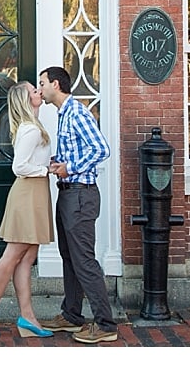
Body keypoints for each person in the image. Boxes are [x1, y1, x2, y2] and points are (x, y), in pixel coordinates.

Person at [36, 65, 117, 344]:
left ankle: (105, 324)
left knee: (84, 260)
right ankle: (72, 315)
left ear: (56, 84)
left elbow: (101, 149)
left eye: (43, 83)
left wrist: (69, 168)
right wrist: (58, 163)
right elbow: (76, 150)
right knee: (69, 256)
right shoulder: (64, 114)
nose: (40, 88)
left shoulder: (78, 112)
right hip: (68, 193)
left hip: (81, 195)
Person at [0, 82, 55, 338]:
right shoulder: (30, 130)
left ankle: (27, 317)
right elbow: (19, 167)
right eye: (33, 91)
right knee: (13, 256)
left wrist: (45, 165)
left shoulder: (32, 125)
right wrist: (46, 170)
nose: (38, 92)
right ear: (25, 100)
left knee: (27, 258)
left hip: (36, 193)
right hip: (28, 193)